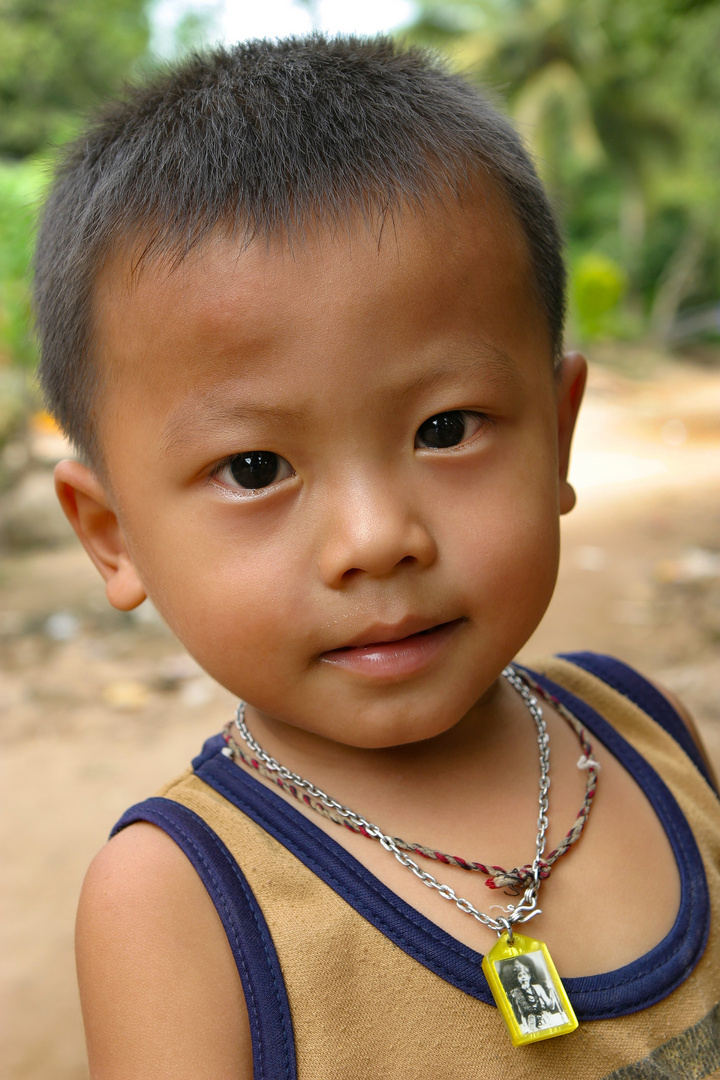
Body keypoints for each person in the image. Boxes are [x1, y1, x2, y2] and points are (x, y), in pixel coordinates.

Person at [34, 35, 719, 1079]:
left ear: (559, 435)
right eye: (256, 465)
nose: (374, 540)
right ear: (111, 535)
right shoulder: (180, 904)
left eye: (447, 430)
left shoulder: (646, 733)